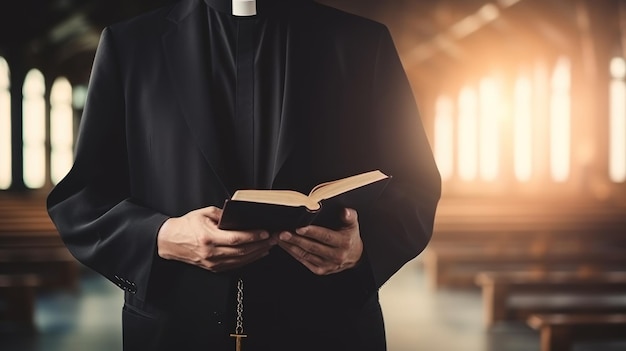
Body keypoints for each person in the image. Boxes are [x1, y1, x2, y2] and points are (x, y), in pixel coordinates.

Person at [47, 0, 441, 350]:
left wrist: (362, 248)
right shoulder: (130, 46)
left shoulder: (361, 43)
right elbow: (81, 198)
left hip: (326, 327)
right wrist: (161, 237)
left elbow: (416, 184)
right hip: (177, 329)